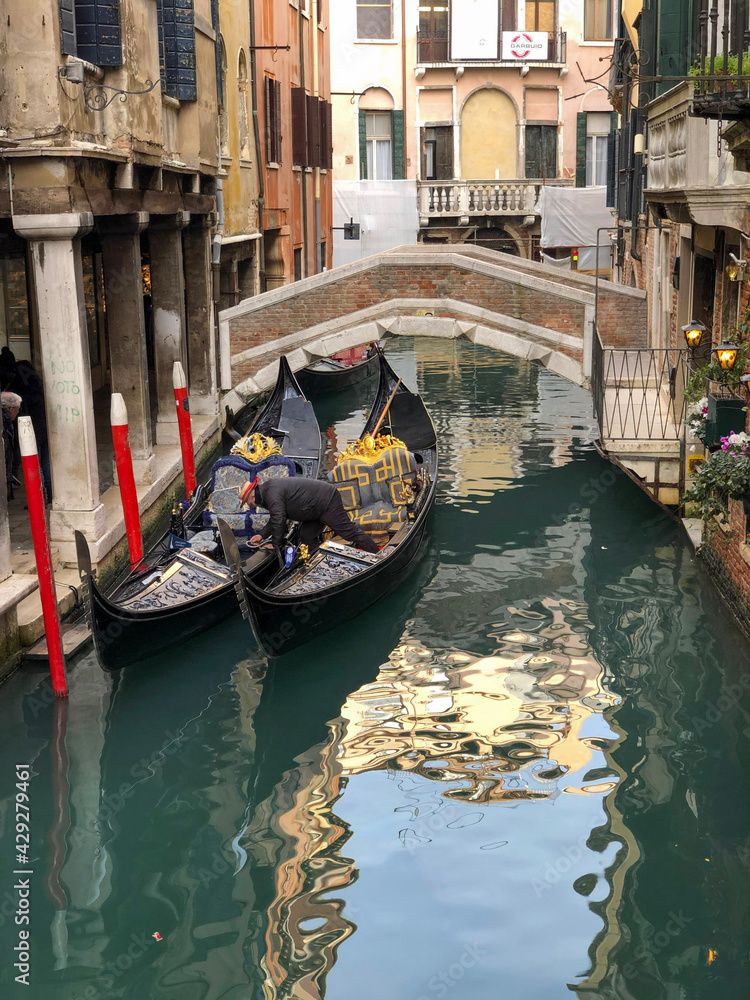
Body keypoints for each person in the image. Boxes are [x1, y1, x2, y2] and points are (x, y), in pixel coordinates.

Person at [239, 476, 380, 554]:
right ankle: (324, 559)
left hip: (326, 501)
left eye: (249, 501)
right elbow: (275, 519)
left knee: (349, 533)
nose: (251, 505)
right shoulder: (268, 492)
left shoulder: (271, 493)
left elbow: (279, 519)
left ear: (253, 494)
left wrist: (275, 545)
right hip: (313, 510)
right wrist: (262, 535)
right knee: (306, 536)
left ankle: (377, 556)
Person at [1, 391, 22, 500]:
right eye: (17, 409)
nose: (18, 412)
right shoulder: (5, 421)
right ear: (11, 409)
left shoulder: (6, 420)